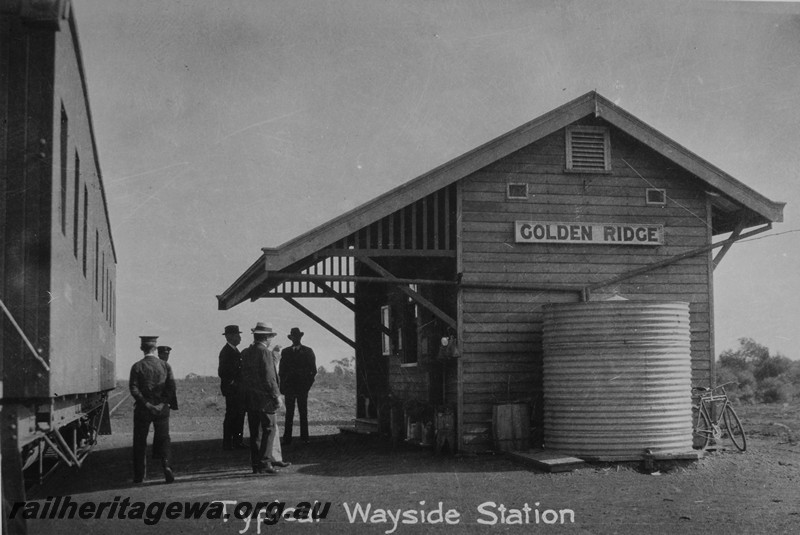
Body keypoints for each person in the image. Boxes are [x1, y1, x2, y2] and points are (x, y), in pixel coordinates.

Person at [129, 335, 176, 484]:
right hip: (161, 410)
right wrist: (162, 404)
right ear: (155, 348)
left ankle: (139, 475)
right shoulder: (165, 365)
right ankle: (166, 466)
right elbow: (171, 388)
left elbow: (134, 388)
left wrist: (146, 404)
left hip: (143, 410)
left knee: (139, 441)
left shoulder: (137, 366)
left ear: (142, 348)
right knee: (164, 439)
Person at [240, 322, 282, 474]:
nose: (271, 339)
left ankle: (256, 465)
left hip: (250, 398)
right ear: (266, 337)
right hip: (265, 398)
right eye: (270, 336)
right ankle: (265, 462)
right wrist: (276, 395)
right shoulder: (265, 352)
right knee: (269, 429)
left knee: (255, 432)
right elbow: (269, 377)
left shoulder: (246, 352)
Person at [280, 327, 317, 445]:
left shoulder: (308, 351)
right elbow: (281, 370)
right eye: (293, 336)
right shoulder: (285, 352)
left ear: (300, 337)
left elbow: (313, 370)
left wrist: (307, 385)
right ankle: (287, 438)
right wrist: (283, 386)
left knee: (303, 412)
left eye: (297, 336)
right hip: (289, 387)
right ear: (291, 338)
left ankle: (305, 437)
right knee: (289, 413)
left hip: (302, 387)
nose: (295, 338)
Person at [218, 325, 245, 450]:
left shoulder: (234, 350)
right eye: (237, 335)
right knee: (232, 415)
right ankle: (229, 443)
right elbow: (222, 372)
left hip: (237, 389)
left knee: (238, 415)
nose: (239, 338)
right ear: (230, 337)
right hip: (232, 390)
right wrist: (233, 382)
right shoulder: (226, 352)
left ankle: (236, 441)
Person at [157, 346, 179, 410]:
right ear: (159, 355)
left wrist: (173, 404)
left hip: (165, 399)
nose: (166, 356)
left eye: (167, 354)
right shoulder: (156, 366)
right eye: (164, 354)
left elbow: (171, 385)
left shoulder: (167, 366)